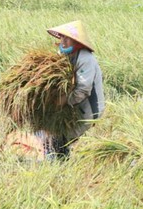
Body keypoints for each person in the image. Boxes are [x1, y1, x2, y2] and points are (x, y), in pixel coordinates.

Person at [44, 20, 105, 159]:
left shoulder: (85, 58)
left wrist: (63, 101)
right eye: (61, 37)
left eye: (67, 38)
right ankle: (58, 161)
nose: (63, 41)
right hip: (73, 106)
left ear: (76, 41)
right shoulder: (63, 54)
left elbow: (83, 89)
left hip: (89, 108)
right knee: (55, 136)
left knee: (62, 138)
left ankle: (58, 164)